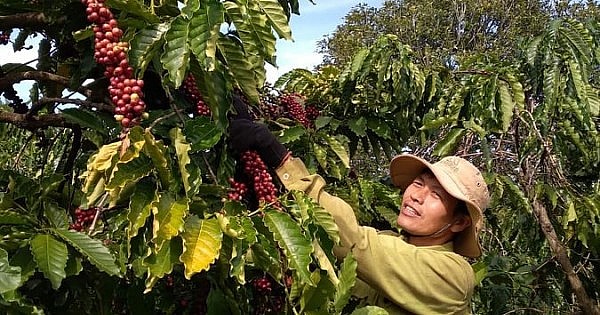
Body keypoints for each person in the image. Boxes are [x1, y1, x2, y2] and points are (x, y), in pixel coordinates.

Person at [228, 96, 490, 314]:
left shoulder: (454, 278)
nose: (416, 196)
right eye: (419, 184)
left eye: (436, 195)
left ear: (459, 222)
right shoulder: (391, 242)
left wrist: (281, 159)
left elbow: (354, 243)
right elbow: (319, 256)